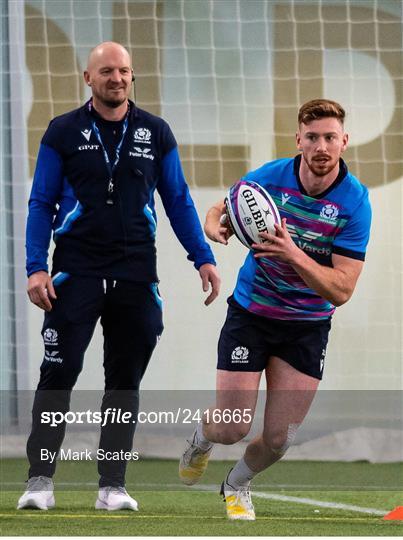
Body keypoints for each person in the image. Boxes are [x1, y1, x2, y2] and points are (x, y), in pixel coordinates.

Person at [18, 41, 220, 512]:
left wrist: (202, 258)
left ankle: (112, 485)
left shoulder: (156, 131)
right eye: (107, 71)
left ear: (133, 77)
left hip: (135, 277)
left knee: (124, 380)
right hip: (73, 273)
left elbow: (178, 201)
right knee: (58, 374)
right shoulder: (62, 132)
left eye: (125, 71)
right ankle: (40, 480)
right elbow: (40, 203)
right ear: (88, 78)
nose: (117, 78)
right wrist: (35, 266)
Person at [179, 99, 372, 520]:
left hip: (307, 325)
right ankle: (202, 437)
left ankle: (237, 483)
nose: (322, 146)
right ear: (298, 140)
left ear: (344, 141)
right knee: (231, 426)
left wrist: (293, 253)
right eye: (313, 137)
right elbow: (223, 206)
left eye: (330, 138)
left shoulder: (355, 203)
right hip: (252, 312)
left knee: (281, 439)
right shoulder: (270, 179)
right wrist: (214, 223)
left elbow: (341, 290)